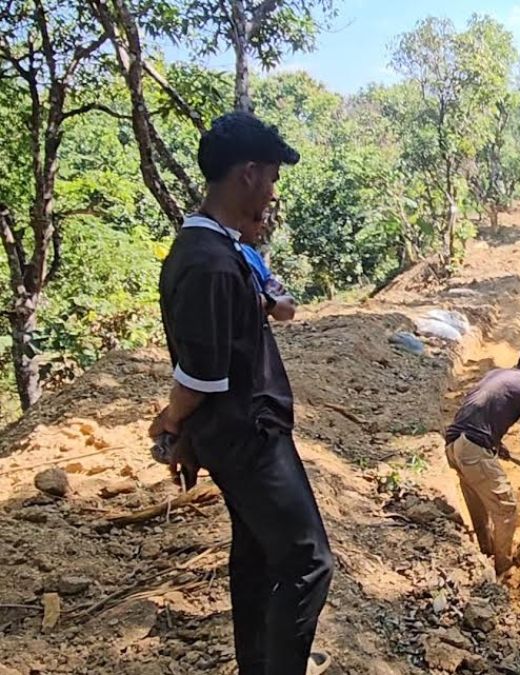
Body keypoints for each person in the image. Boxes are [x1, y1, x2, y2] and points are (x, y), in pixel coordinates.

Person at [150, 111, 332, 675]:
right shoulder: (209, 263)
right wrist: (172, 424)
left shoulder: (216, 252)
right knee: (309, 563)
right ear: (248, 174)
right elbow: (200, 376)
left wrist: (185, 429)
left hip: (238, 432)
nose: (273, 193)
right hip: (249, 437)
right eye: (272, 178)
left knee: (257, 554)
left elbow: (222, 340)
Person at [444, 345, 520, 577]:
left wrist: (495, 443)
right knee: (506, 509)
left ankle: (484, 553)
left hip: (454, 445)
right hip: (473, 449)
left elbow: (481, 411)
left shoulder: (496, 374)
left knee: (479, 504)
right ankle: (503, 566)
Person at [240, 205, 297, 322]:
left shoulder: (251, 254)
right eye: (258, 219)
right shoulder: (215, 253)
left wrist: (266, 302)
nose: (263, 225)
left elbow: (288, 308)